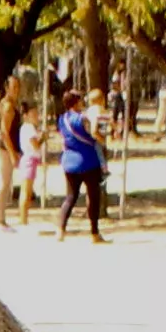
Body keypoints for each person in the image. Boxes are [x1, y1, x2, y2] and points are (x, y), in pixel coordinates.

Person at [53, 86, 113, 241]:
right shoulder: (82, 119)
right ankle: (94, 232)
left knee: (71, 197)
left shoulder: (62, 119)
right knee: (93, 196)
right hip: (88, 161)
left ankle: (61, 229)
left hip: (69, 161)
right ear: (76, 103)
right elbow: (93, 133)